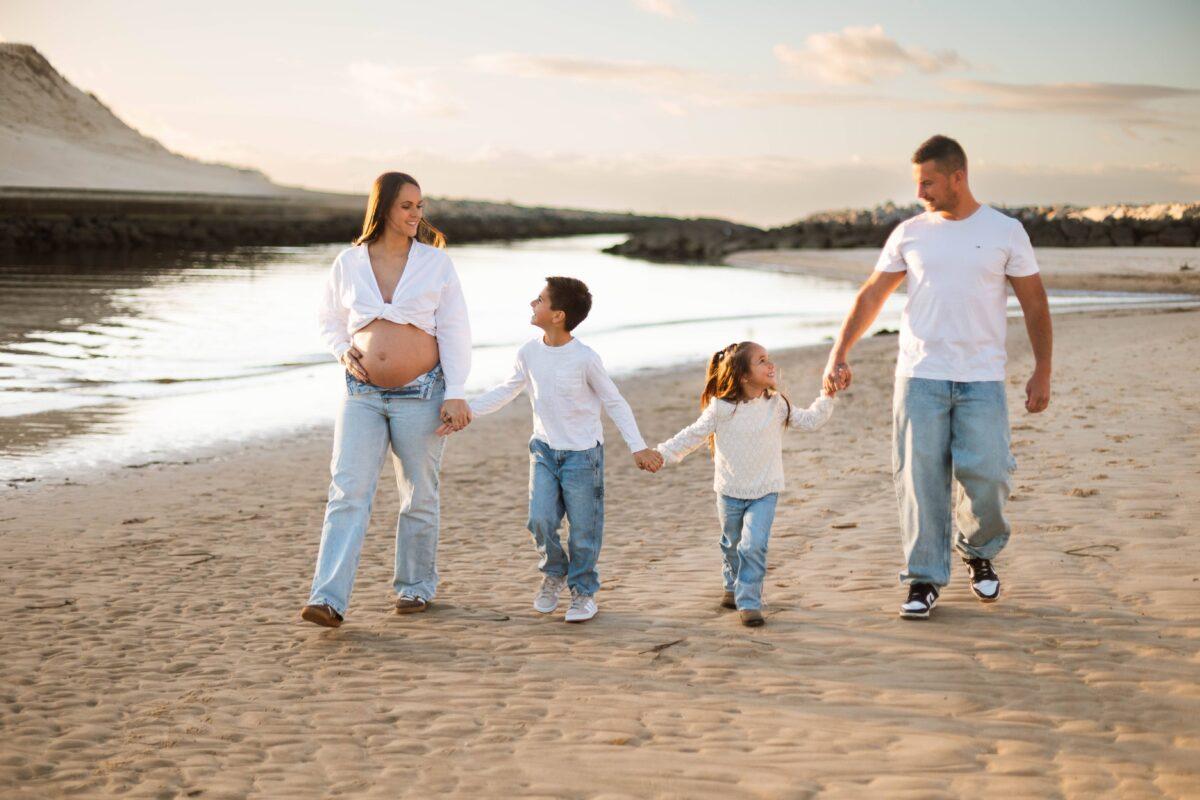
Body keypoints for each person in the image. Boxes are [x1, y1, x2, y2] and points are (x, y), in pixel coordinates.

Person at [822, 135, 1052, 620]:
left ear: (957, 177)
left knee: (988, 474)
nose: (920, 191)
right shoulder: (910, 233)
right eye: (917, 182)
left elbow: (1035, 304)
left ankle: (977, 551)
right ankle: (923, 578)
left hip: (982, 380)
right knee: (919, 480)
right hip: (920, 375)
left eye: (928, 182)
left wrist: (1042, 370)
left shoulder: (1005, 231)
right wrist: (839, 351)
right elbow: (871, 296)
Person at [300, 172, 472, 628]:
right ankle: (328, 599)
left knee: (418, 494)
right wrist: (342, 351)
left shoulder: (436, 264)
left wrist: (455, 392)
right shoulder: (349, 262)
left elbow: (455, 330)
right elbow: (328, 320)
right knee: (347, 492)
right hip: (362, 395)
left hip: (423, 393)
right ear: (384, 209)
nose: (417, 214)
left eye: (420, 206)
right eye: (407, 206)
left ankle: (414, 588)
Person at [445, 277, 661, 623]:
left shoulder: (585, 359)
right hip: (543, 451)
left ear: (558, 315)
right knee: (540, 519)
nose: (533, 303)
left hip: (582, 456)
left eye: (540, 300)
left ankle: (583, 593)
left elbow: (615, 402)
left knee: (584, 531)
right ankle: (554, 572)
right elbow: (507, 390)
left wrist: (638, 447)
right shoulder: (528, 352)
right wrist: (465, 411)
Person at [654, 342, 835, 627]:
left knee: (753, 546)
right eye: (762, 361)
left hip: (765, 490)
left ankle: (749, 601)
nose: (770, 365)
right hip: (729, 491)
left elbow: (810, 421)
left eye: (769, 359)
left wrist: (827, 395)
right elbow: (692, 436)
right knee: (731, 544)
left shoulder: (776, 404)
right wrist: (661, 455)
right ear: (743, 376)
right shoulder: (721, 409)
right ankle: (731, 584)